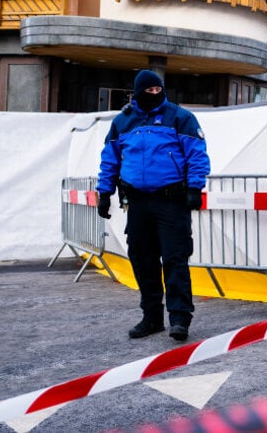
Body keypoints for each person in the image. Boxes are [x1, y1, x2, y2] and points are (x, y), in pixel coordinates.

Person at [96, 70, 210, 341]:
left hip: (172, 201)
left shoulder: (180, 117)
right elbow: (110, 159)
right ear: (137, 92)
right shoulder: (123, 121)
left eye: (159, 90)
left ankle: (180, 318)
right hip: (137, 203)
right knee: (142, 260)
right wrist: (104, 193)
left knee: (174, 260)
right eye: (149, 91)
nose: (155, 94)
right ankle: (152, 317)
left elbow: (196, 154)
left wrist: (195, 187)